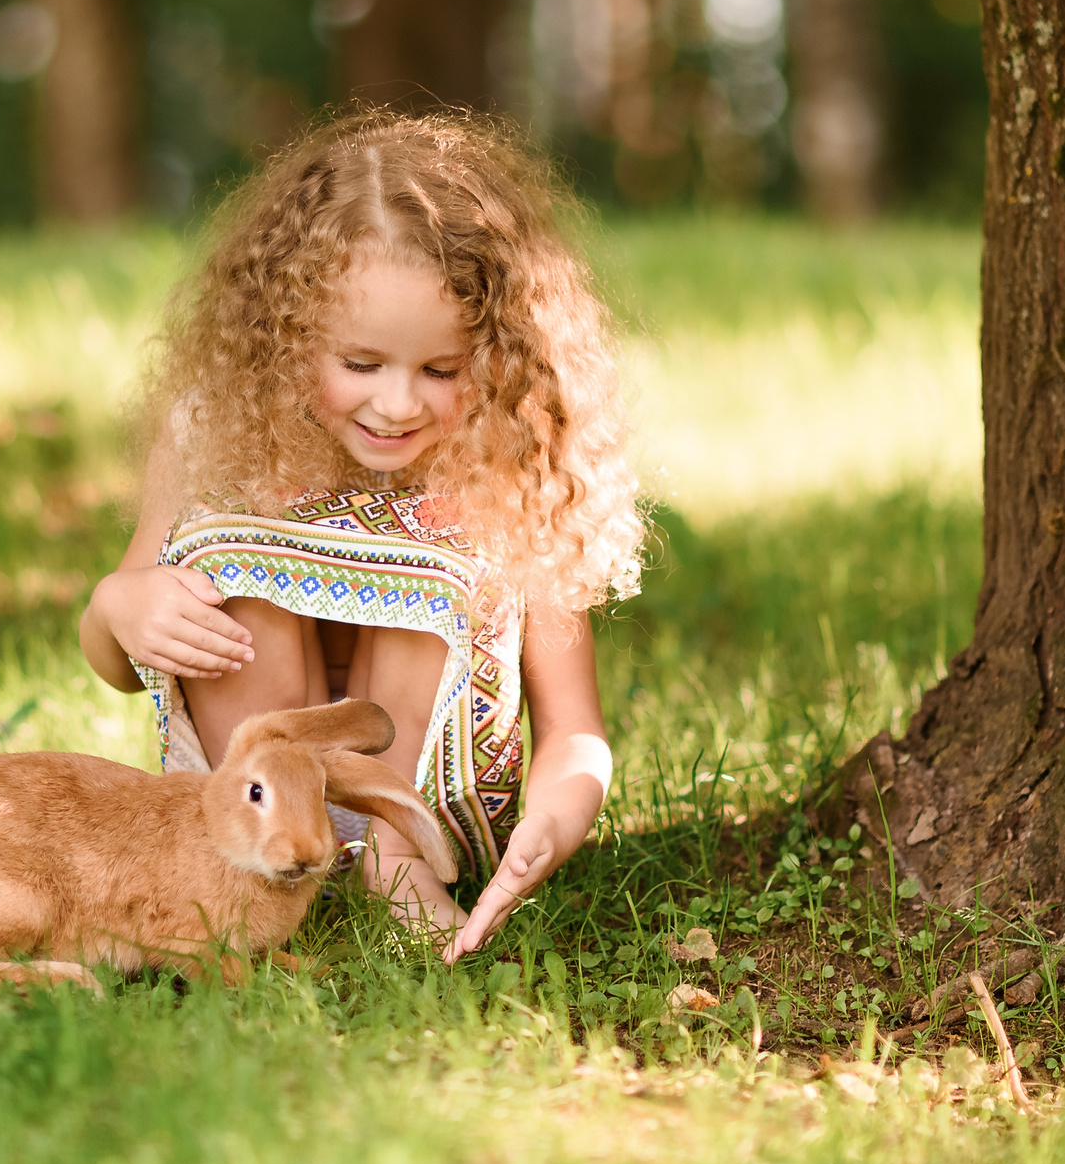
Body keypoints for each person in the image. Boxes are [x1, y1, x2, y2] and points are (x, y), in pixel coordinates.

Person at [77, 109, 644, 961]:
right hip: (251, 812)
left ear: (494, 357)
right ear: (286, 335)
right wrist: (120, 604)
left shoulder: (510, 457)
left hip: (424, 808)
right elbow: (118, 659)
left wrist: (556, 819)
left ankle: (388, 861)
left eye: (441, 371)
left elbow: (575, 727)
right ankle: (268, 869)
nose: (398, 403)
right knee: (219, 555)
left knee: (462, 546)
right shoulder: (221, 428)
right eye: (361, 364)